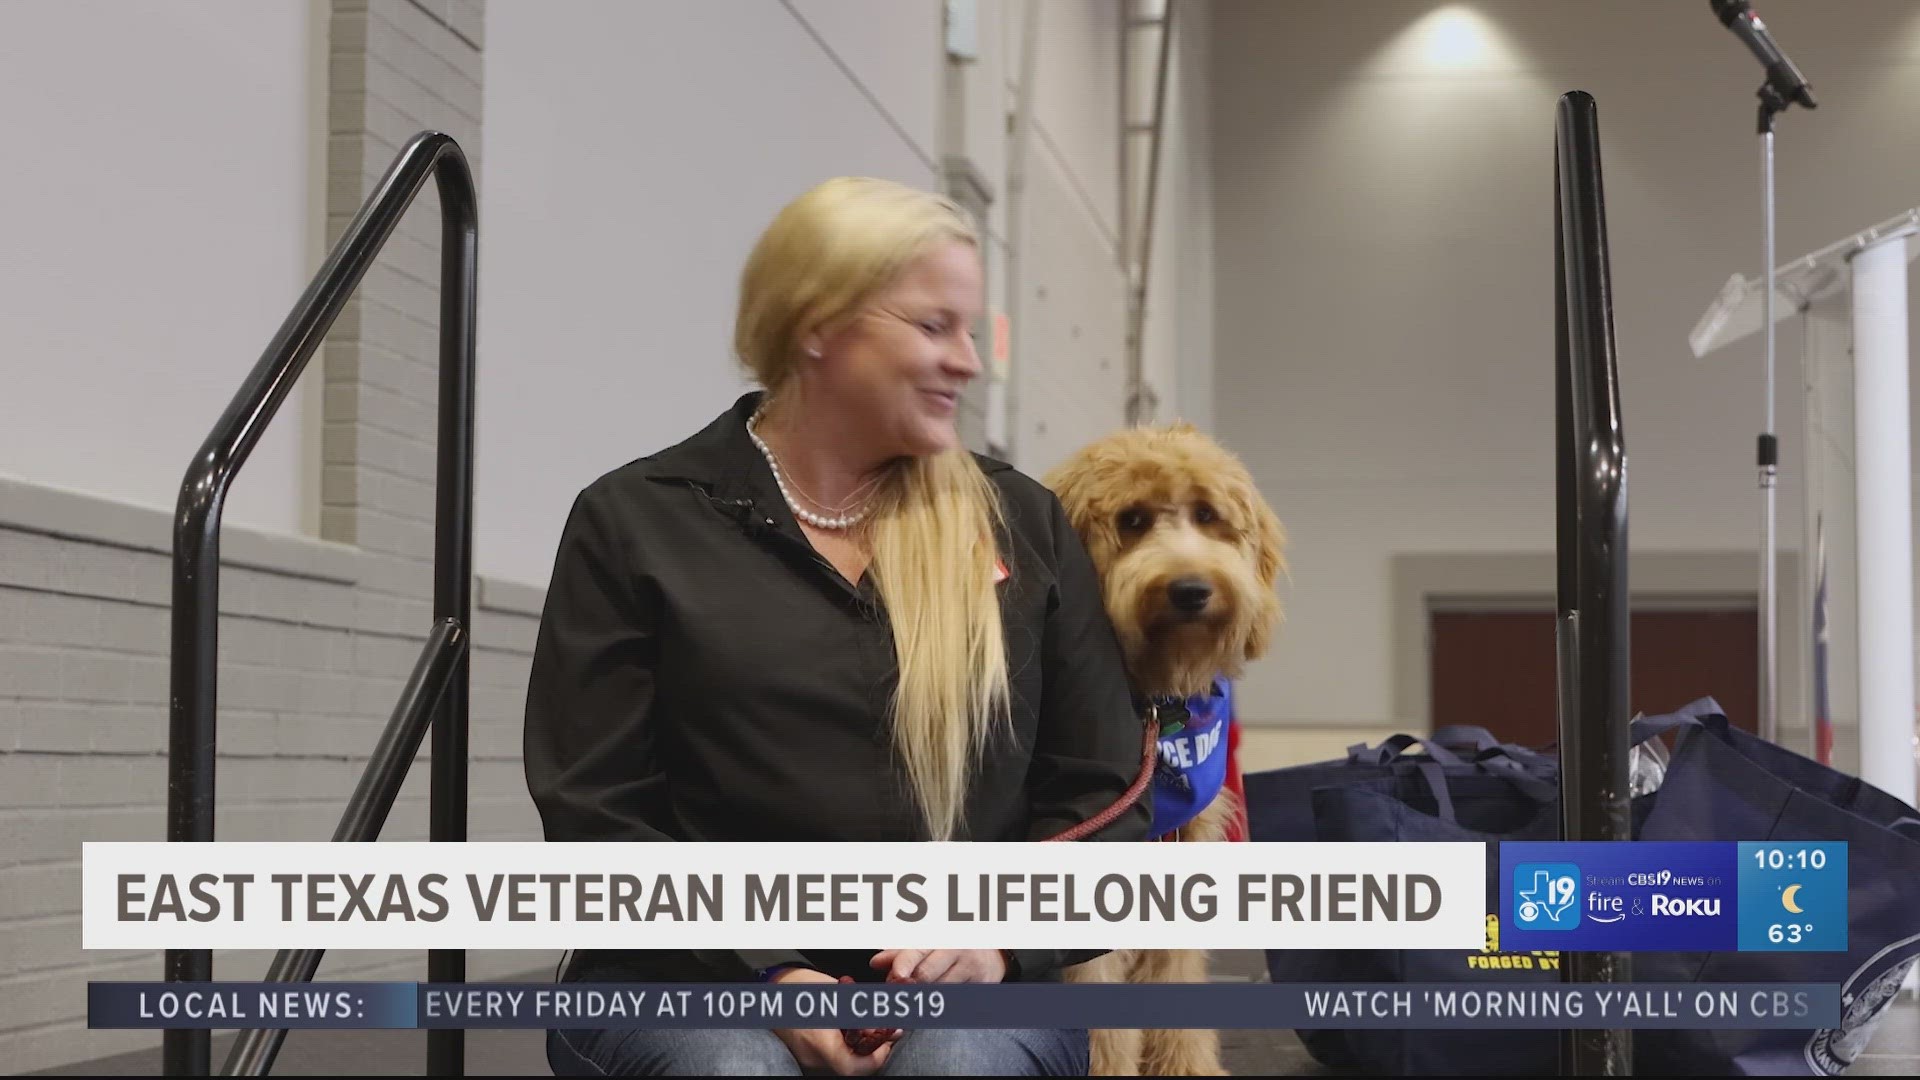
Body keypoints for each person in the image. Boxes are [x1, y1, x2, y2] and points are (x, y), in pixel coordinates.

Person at [524, 176, 1149, 1077]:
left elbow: (1103, 795)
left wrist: (995, 942)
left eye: (969, 330)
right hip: (687, 974)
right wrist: (767, 973)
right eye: (933, 327)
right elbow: (598, 810)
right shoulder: (636, 523)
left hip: (972, 982)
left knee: (960, 1065)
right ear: (818, 325)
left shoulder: (1025, 525)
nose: (968, 361)